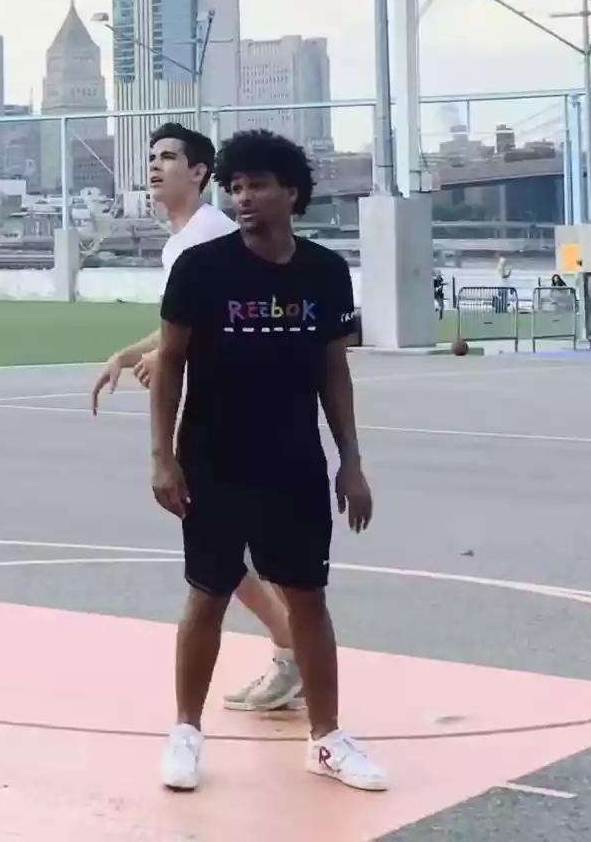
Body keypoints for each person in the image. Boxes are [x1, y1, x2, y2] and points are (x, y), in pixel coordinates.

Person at [141, 130, 385, 794]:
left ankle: (327, 739)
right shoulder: (203, 269)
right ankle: (186, 733)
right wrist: (163, 457)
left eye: (258, 185)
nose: (244, 197)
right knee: (208, 594)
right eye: (236, 186)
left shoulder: (326, 273)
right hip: (213, 461)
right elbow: (169, 366)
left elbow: (334, 373)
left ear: (292, 194)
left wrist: (351, 463)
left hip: (295, 464)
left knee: (308, 598)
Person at [92, 124, 309, 716]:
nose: (156, 167)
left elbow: (233, 319)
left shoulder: (213, 235)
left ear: (200, 173)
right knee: (223, 551)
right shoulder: (182, 242)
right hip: (212, 413)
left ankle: (294, 654)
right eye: (152, 157)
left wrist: (166, 356)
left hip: (241, 415)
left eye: (170, 157)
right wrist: (131, 354)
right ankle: (292, 651)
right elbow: (179, 328)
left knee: (242, 552)